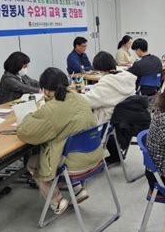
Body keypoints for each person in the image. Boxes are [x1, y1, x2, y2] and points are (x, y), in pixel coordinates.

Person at [17, 68, 106, 215]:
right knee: (67, 147)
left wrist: (28, 116)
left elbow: (26, 133)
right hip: (95, 156)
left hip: (74, 165)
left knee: (34, 163)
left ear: (45, 90)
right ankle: (78, 190)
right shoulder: (80, 98)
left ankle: (56, 201)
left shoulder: (52, 108)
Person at [84, 51, 136, 125]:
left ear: (99, 69)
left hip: (109, 121)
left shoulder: (106, 84)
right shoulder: (127, 78)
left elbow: (87, 102)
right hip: (126, 118)